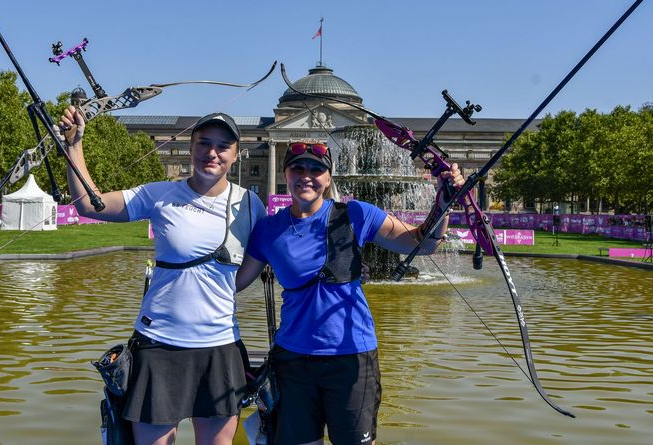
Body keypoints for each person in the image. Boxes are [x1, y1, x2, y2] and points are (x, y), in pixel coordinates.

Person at [59, 106, 266, 445]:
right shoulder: (159, 195)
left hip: (219, 346)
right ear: (190, 148)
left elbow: (256, 264)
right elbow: (88, 205)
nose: (211, 153)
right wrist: (74, 145)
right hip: (160, 346)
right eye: (203, 143)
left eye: (222, 146)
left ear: (236, 155)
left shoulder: (249, 204)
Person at [235, 141, 464, 445]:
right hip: (293, 360)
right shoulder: (267, 229)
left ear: (328, 178)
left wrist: (443, 202)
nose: (307, 175)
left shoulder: (356, 214)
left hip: (351, 357)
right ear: (286, 173)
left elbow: (421, 243)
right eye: (298, 168)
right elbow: (234, 284)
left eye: (317, 169)